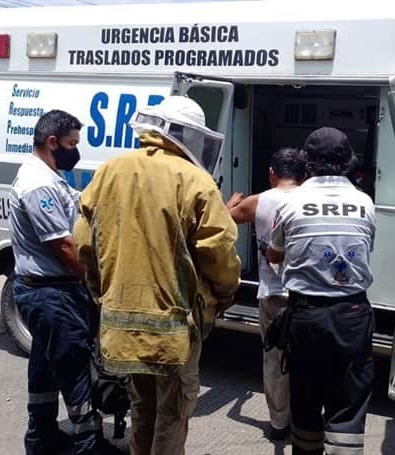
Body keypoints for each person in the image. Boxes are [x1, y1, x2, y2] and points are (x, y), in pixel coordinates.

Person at [74, 96, 241, 455]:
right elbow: (218, 253)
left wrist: (102, 293)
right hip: (175, 331)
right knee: (173, 414)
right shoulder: (195, 180)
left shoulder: (108, 171)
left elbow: (85, 244)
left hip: (121, 328)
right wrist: (225, 293)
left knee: (142, 409)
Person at [9, 110, 121, 455]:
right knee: (74, 372)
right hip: (51, 292)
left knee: (43, 367)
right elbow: (64, 246)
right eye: (72, 144)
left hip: (44, 291)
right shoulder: (38, 184)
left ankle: (41, 437)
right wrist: (97, 284)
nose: (76, 151)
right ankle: (88, 445)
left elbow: (79, 205)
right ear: (52, 142)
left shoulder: (50, 176)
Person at [267, 127, 376, 455]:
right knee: (348, 402)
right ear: (349, 163)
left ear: (306, 163)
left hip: (306, 317)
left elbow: (275, 253)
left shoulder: (290, 203)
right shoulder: (365, 203)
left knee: (306, 398)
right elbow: (366, 246)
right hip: (353, 315)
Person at [226, 147, 306, 441]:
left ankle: (279, 423)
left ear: (272, 173)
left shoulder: (258, 201)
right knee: (307, 359)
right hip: (306, 295)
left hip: (272, 294)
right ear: (304, 174)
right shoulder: (311, 200)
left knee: (275, 360)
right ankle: (306, 418)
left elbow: (222, 222)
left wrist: (231, 202)